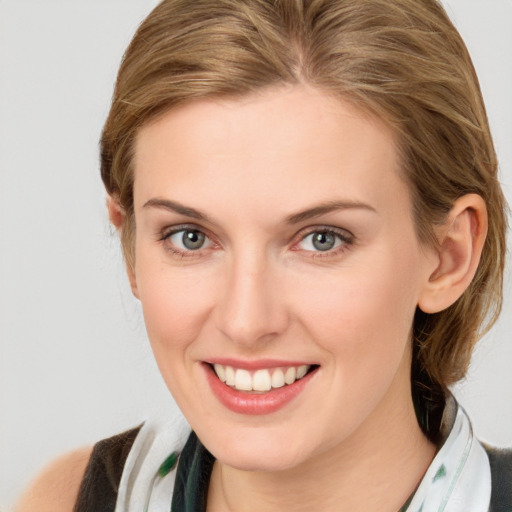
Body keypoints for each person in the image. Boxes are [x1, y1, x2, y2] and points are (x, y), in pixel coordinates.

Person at [15, 0, 511, 510]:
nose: (246, 321)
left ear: (449, 256)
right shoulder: (65, 498)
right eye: (189, 237)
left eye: (323, 239)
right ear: (131, 246)